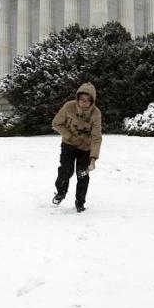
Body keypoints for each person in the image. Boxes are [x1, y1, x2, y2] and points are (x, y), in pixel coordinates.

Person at [50, 83, 102, 213]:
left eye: (87, 100)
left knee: (83, 175)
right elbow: (56, 123)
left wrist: (93, 158)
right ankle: (60, 193)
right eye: (81, 99)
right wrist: (69, 136)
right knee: (65, 171)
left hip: (86, 148)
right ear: (77, 98)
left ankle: (80, 202)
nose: (84, 103)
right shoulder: (69, 107)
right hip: (68, 145)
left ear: (92, 101)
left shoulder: (96, 114)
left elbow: (96, 137)